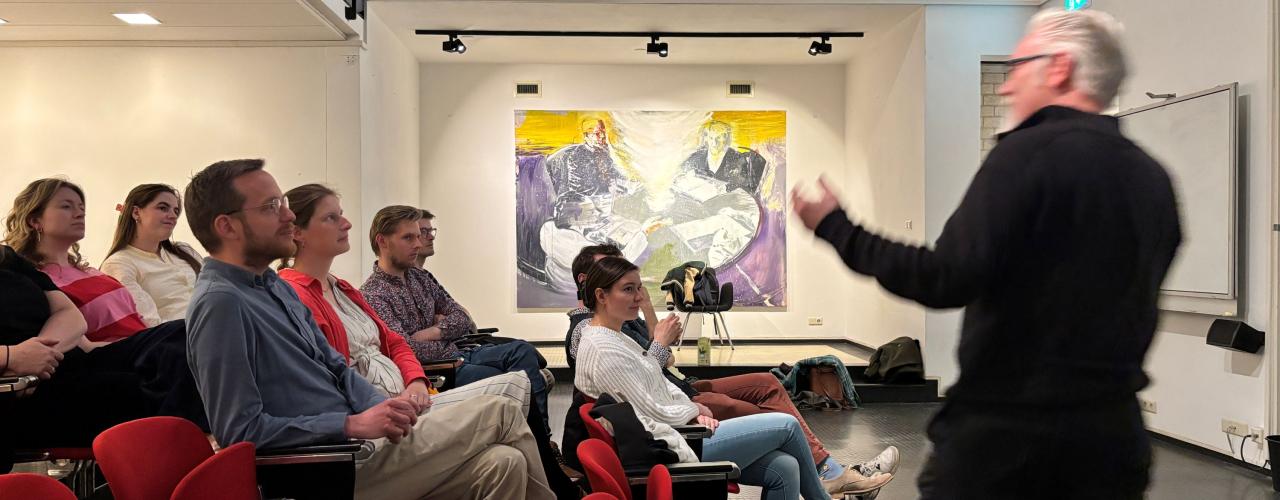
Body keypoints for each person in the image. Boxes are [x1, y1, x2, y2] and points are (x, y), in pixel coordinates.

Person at [791, 10, 1180, 499]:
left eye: (1019, 67)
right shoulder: (1152, 178)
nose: (1007, 86)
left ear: (1060, 67)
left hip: (1010, 440)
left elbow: (944, 276)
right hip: (1113, 441)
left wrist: (836, 227)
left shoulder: (1027, 156)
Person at [183, 159, 554, 500]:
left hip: (360, 442)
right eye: (271, 207)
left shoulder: (273, 287)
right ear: (226, 226)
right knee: (501, 410)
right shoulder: (221, 303)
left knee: (504, 463)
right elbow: (239, 432)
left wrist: (385, 409)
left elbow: (337, 368)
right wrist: (349, 424)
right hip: (328, 464)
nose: (288, 215)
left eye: (284, 203)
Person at [277, 184, 580, 498]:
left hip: (413, 390)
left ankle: (550, 458)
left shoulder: (343, 288)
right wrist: (389, 399)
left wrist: (416, 380)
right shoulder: (301, 296)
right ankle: (562, 489)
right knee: (506, 403)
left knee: (506, 458)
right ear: (297, 232)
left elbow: (404, 340)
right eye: (332, 218)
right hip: (385, 418)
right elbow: (339, 378)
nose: (347, 223)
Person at [565, 244, 898, 495]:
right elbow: (649, 404)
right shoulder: (601, 345)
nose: (639, 297)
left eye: (639, 287)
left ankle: (832, 477)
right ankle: (828, 487)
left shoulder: (614, 335)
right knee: (786, 425)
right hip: (669, 445)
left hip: (675, 429)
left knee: (785, 466)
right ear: (600, 294)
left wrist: (690, 408)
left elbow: (651, 382)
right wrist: (691, 411)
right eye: (628, 289)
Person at [4, 178, 207, 429]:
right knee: (181, 338)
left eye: (81, 207)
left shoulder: (92, 272)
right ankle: (190, 438)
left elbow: (138, 319)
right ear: (35, 220)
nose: (80, 213)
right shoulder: (35, 277)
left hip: (138, 344)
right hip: (105, 353)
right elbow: (81, 343)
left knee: (193, 338)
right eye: (67, 206)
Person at [361, 205, 552, 434]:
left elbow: (462, 317)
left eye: (418, 236)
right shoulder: (373, 295)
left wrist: (433, 332)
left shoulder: (419, 278)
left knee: (522, 350)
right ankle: (539, 442)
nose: (418, 244)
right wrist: (444, 335)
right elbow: (406, 349)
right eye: (408, 238)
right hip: (438, 370)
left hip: (459, 353)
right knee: (514, 382)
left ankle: (542, 437)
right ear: (382, 241)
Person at [0, 244, 150, 472]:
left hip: (57, 361)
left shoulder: (7, 258)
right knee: (151, 387)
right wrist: (12, 357)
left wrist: (40, 355)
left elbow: (70, 315)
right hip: (24, 393)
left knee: (177, 338)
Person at [102, 184, 203, 327]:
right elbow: (149, 324)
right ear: (136, 213)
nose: (173, 216)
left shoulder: (185, 251)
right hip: (182, 337)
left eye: (176, 210)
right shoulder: (119, 264)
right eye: (163, 208)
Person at [679, 120, 767, 194]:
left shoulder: (737, 158)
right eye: (711, 138)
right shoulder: (697, 157)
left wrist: (727, 188)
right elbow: (680, 173)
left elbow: (748, 187)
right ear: (706, 138)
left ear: (725, 138)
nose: (714, 143)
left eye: (718, 138)